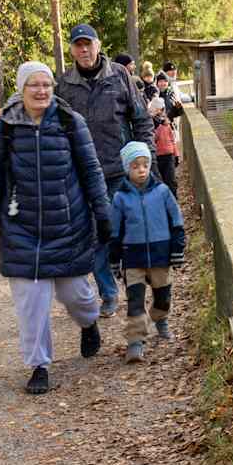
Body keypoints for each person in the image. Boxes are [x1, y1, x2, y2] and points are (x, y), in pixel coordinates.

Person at [0, 61, 112, 395]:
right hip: (21, 228)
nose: (41, 91)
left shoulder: (69, 122)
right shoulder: (5, 127)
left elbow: (92, 171)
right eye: (34, 85)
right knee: (30, 302)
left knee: (75, 294)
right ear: (21, 90)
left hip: (68, 225)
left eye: (47, 85)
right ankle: (39, 364)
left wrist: (103, 213)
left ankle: (89, 321)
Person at [54, 24, 156, 318]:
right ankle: (108, 293)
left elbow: (141, 119)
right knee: (96, 237)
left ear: (98, 45)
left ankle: (137, 285)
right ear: (72, 49)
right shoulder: (65, 86)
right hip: (85, 176)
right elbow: (59, 132)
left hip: (120, 169)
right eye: (78, 45)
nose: (84, 50)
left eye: (88, 44)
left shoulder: (119, 76)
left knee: (128, 233)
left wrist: (144, 157)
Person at [108, 141, 186, 363]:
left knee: (163, 300)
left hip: (161, 255)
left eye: (145, 165)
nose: (141, 170)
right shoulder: (120, 198)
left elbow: (177, 222)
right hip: (133, 258)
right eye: (135, 166)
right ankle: (135, 342)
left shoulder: (162, 192)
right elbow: (115, 231)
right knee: (135, 301)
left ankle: (159, 319)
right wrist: (114, 259)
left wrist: (177, 249)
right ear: (127, 169)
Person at [149, 97, 179, 197]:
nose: (160, 111)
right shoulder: (151, 122)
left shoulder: (166, 122)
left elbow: (172, 139)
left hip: (168, 155)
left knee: (171, 181)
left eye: (161, 109)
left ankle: (173, 202)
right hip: (157, 156)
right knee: (160, 182)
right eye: (157, 109)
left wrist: (176, 154)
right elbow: (152, 139)